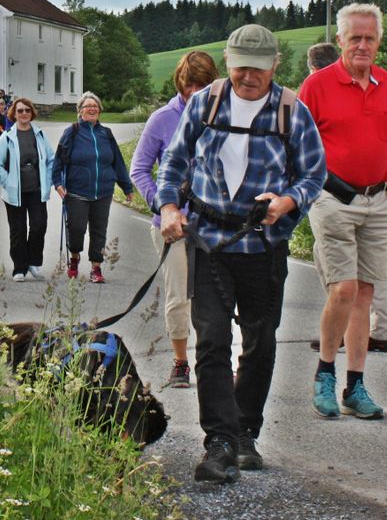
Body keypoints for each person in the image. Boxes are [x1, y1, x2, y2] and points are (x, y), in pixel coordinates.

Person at [157, 24, 326, 484]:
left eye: (259, 68)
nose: (249, 77)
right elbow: (173, 161)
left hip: (263, 245)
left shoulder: (292, 111)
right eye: (241, 68)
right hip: (209, 241)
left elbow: (314, 174)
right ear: (228, 63)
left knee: (260, 341)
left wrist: (288, 201)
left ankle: (246, 431)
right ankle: (220, 442)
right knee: (211, 340)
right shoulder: (205, 103)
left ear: (275, 65)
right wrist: (169, 206)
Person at [298, 4, 387, 421]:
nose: (362, 45)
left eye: (370, 38)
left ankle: (355, 386)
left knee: (364, 293)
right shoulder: (317, 86)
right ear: (340, 40)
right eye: (355, 38)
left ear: (379, 42)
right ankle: (325, 374)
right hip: (333, 199)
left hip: (379, 202)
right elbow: (298, 146)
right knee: (342, 289)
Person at [304, 42, 387, 354]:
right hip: (336, 197)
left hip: (364, 194)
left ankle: (350, 333)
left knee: (355, 281)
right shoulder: (319, 87)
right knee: (359, 281)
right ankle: (377, 331)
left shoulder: (382, 83)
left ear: (312, 66)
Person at [130, 50, 218, 389]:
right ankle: (181, 362)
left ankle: (217, 361)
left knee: (217, 297)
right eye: (188, 86)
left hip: (213, 225)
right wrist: (163, 206)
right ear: (180, 85)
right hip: (172, 226)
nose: (194, 93)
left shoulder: (222, 117)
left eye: (201, 86)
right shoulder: (162, 119)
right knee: (179, 295)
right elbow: (139, 169)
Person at [53, 92, 135, 284]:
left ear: (99, 110)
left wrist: (126, 186)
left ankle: (95, 268)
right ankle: (74, 258)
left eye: (95, 106)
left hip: (103, 191)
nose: (92, 108)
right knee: (77, 229)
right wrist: (57, 182)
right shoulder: (72, 132)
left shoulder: (106, 133)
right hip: (77, 191)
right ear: (80, 111)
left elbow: (117, 161)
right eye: (88, 106)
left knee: (99, 230)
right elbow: (58, 160)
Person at [0, 97, 56, 282]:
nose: (24, 113)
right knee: (18, 230)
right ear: (14, 114)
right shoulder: (7, 136)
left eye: (27, 110)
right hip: (14, 192)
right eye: (20, 111)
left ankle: (33, 262)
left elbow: (51, 160)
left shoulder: (40, 135)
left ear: (32, 113)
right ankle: (19, 267)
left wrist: (48, 180)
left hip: (36, 190)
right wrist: (8, 182)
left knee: (39, 226)